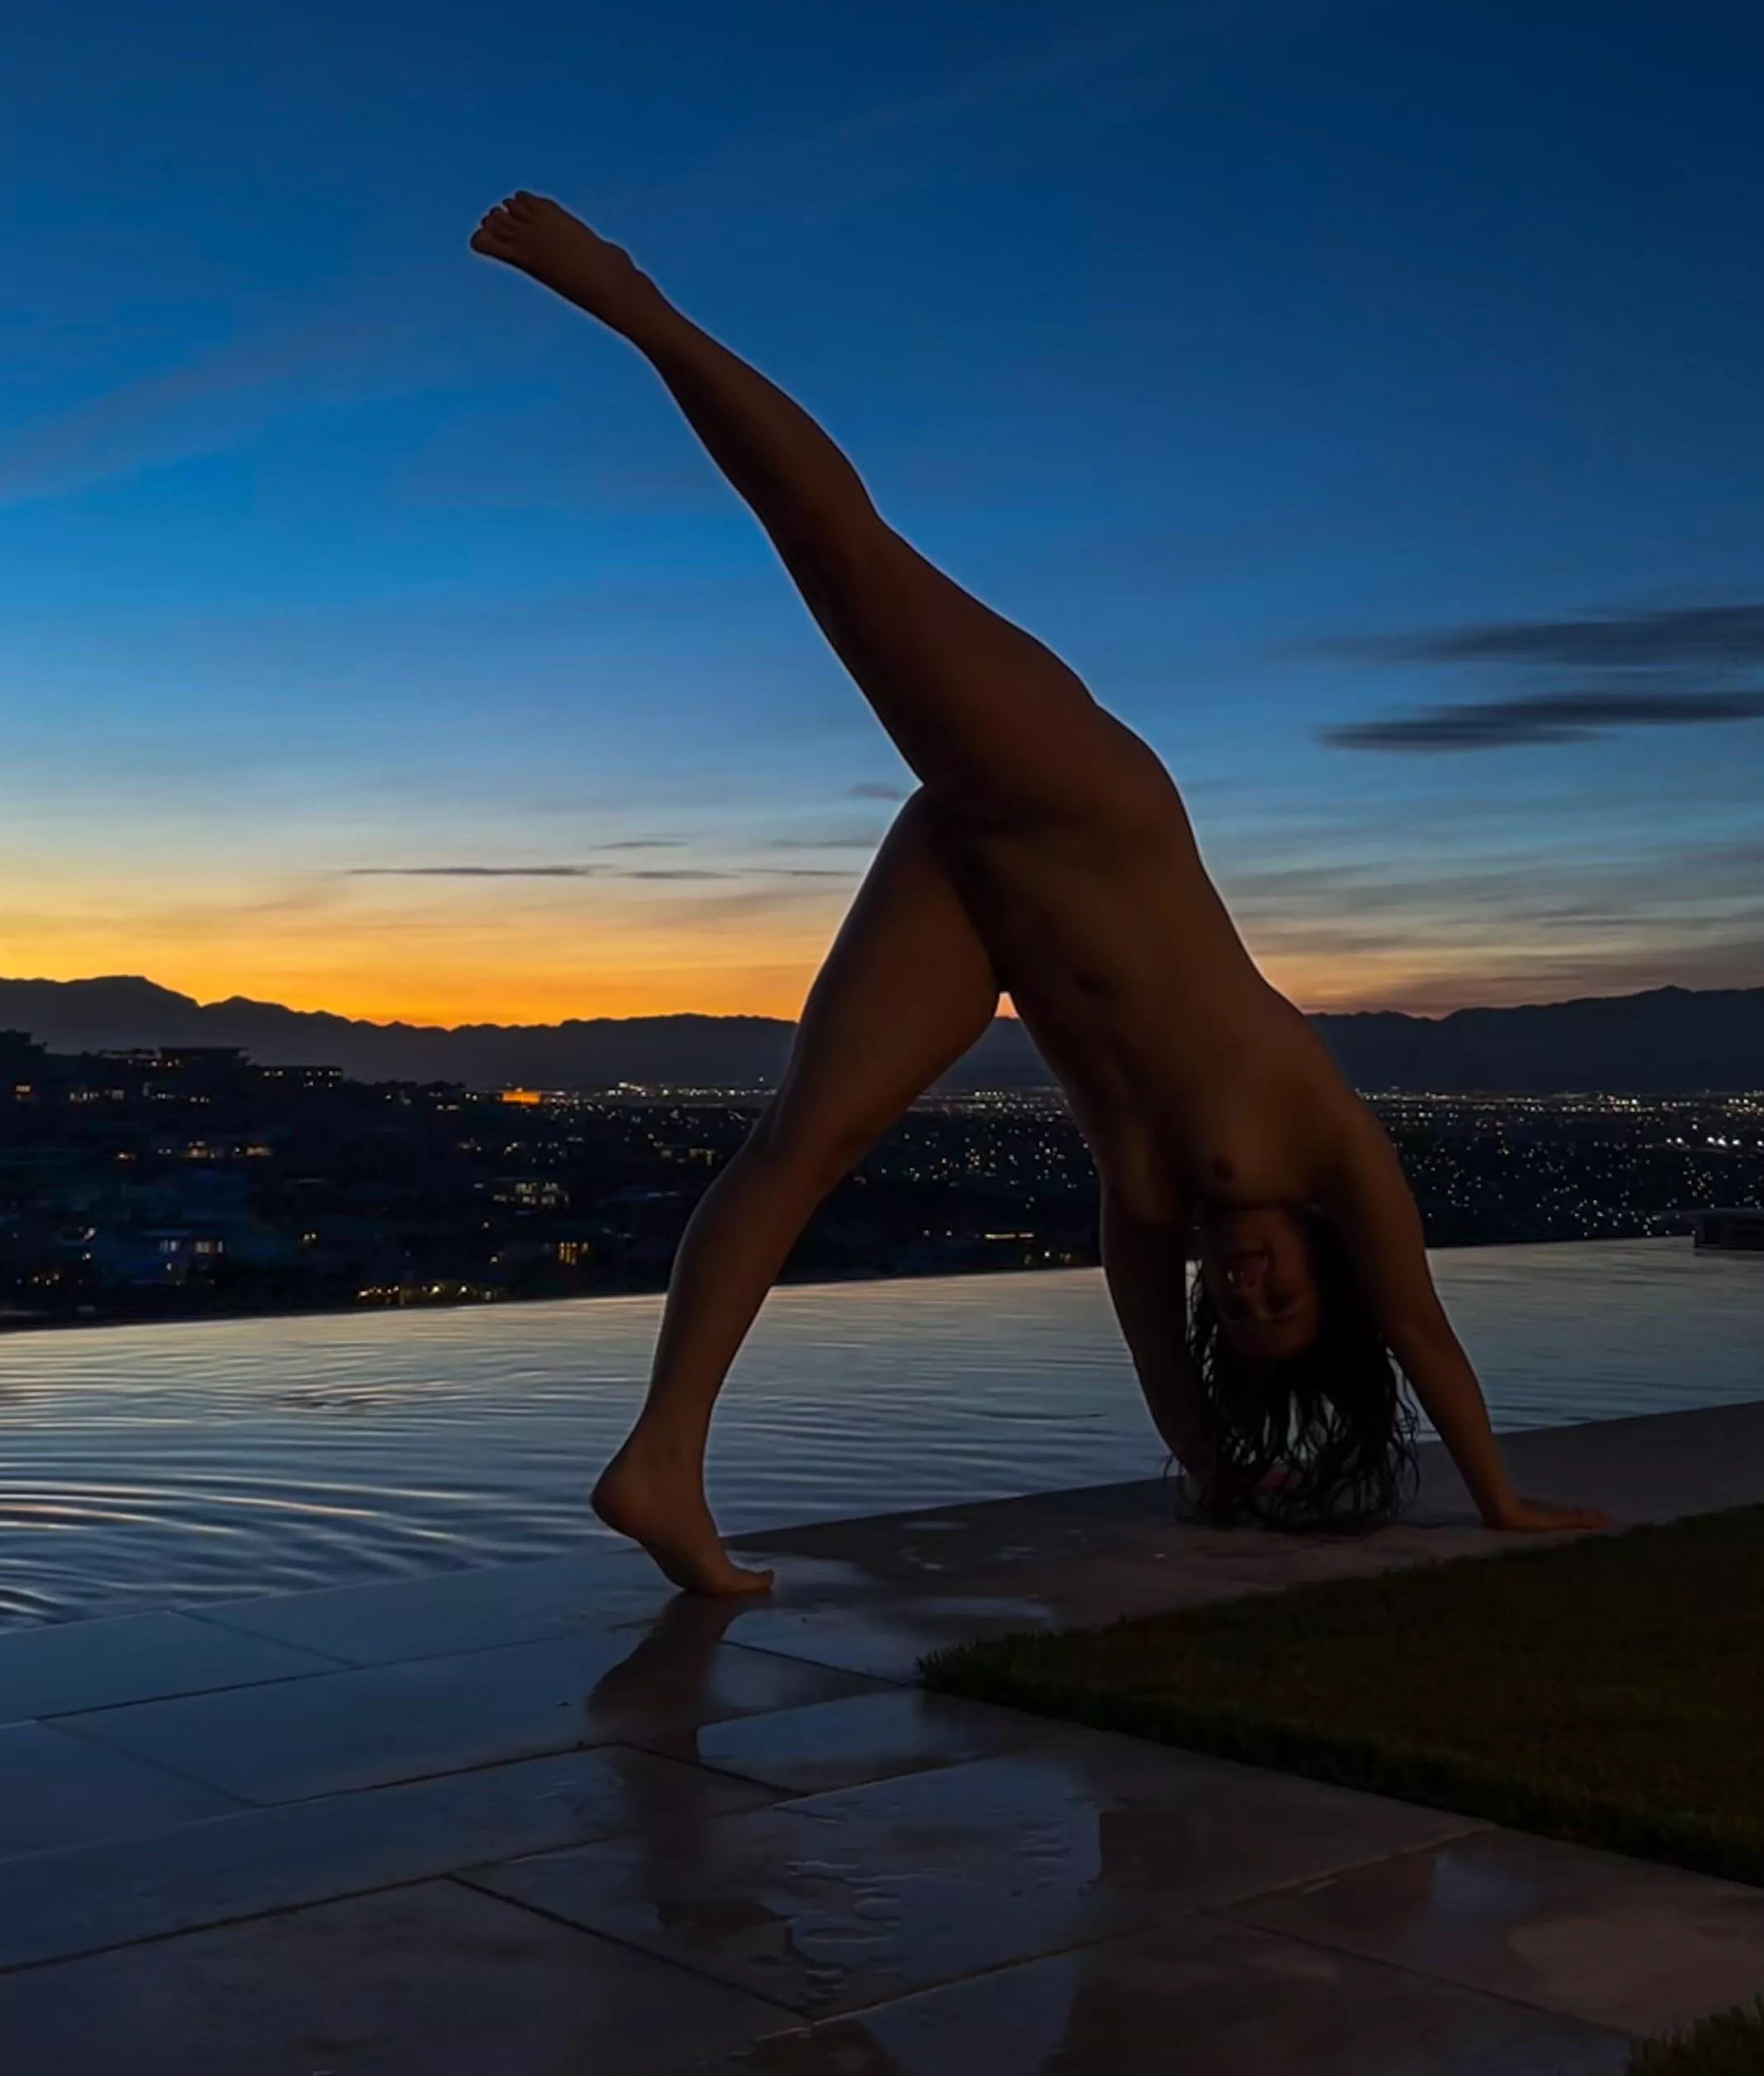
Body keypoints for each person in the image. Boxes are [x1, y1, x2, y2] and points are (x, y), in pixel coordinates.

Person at [471, 191, 1606, 1596]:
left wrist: (1212, 1470)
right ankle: (629, 298)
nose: (1242, 1285)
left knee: (800, 1142)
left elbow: (1153, 1353)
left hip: (985, 893)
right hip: (1088, 810)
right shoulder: (1329, 1146)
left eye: (1237, 1308)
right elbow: (1425, 1330)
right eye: (1281, 1293)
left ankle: (659, 1461)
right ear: (1328, 1270)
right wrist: (1499, 1498)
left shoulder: (1152, 1223)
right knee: (846, 555)